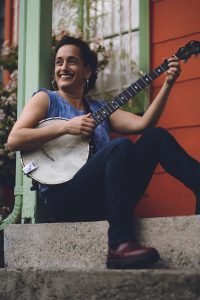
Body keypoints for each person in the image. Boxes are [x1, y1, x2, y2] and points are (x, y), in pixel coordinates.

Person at [7, 36, 200, 269]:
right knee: (119, 146)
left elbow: (144, 124)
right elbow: (14, 139)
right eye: (59, 62)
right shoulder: (46, 99)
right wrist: (66, 126)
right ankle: (118, 244)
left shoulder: (99, 109)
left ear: (87, 71)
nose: (63, 68)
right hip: (65, 199)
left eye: (71, 61)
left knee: (156, 137)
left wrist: (168, 83)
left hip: (105, 199)